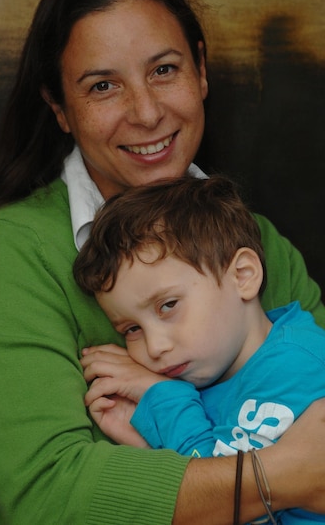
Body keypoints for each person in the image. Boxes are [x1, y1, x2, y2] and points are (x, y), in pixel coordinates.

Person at [0, 0, 325, 524]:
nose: (145, 112)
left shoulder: (258, 243)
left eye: (164, 70)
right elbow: (52, 497)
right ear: (60, 109)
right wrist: (283, 476)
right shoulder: (6, 255)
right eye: (103, 86)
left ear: (201, 71)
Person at [74, 173, 325, 524]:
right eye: (131, 329)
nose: (155, 347)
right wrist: (148, 442)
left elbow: (229, 503)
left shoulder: (292, 368)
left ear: (243, 276)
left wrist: (164, 397)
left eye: (168, 305)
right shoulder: (234, 366)